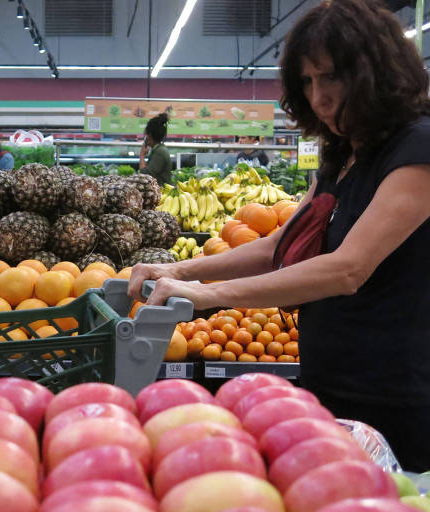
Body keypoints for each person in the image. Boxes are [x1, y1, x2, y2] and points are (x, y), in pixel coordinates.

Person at [128, 0, 430, 471]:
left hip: (394, 395)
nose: (319, 98)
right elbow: (278, 247)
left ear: (375, 70)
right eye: (307, 82)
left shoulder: (417, 149)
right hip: (326, 380)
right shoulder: (341, 156)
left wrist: (208, 295)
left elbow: (348, 268)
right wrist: (178, 268)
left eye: (331, 77)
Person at [139, 113, 172, 186]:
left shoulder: (160, 152)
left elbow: (144, 177)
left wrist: (142, 155)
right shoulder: (158, 149)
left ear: (149, 135)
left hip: (162, 192)